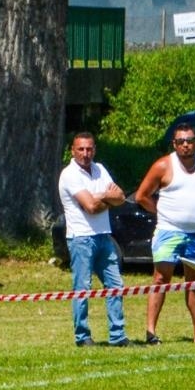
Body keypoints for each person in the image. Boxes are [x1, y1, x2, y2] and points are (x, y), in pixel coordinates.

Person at [134, 123, 195, 345]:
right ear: (174, 144)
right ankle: (151, 332)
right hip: (168, 232)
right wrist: (162, 213)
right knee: (161, 279)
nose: (186, 145)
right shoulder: (163, 165)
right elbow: (142, 196)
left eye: (190, 140)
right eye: (181, 141)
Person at [57, 132, 129, 347]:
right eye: (81, 149)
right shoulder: (69, 175)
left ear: (94, 149)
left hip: (103, 237)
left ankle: (118, 336)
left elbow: (121, 197)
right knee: (83, 287)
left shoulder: (100, 169)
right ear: (73, 150)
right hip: (81, 238)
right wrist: (106, 197)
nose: (85, 154)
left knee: (115, 285)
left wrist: (98, 196)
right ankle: (83, 336)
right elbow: (90, 207)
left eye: (89, 149)